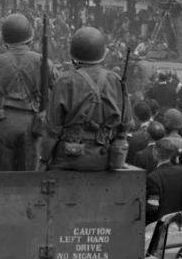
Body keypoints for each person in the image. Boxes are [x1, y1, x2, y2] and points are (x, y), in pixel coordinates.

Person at [39, 27, 131, 171]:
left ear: (73, 55)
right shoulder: (116, 80)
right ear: (102, 53)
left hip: (69, 159)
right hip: (104, 158)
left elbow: (52, 129)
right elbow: (125, 123)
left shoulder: (65, 81)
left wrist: (43, 159)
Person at [0, 14, 52, 172]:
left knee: (1, 178)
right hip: (31, 123)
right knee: (29, 179)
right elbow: (54, 90)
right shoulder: (43, 61)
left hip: (2, 121)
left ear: (4, 39)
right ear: (30, 38)